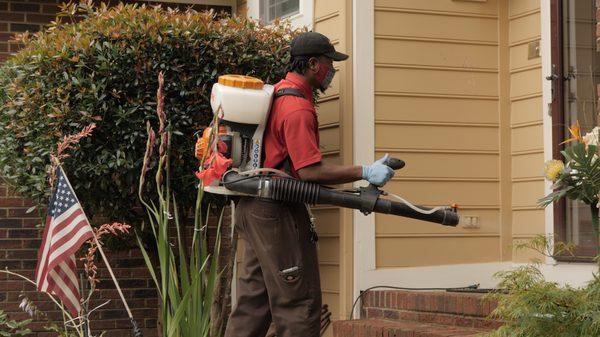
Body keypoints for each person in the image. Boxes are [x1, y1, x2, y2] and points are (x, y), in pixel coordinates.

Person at [224, 32, 395, 337]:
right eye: (330, 63)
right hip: (276, 212)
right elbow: (309, 172)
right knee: (298, 302)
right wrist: (365, 171)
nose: (332, 70)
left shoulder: (275, 93)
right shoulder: (298, 108)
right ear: (314, 63)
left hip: (251, 208)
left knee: (254, 300)